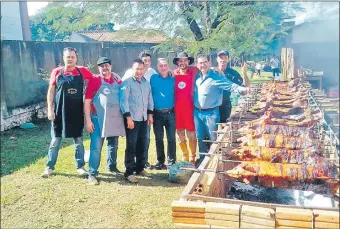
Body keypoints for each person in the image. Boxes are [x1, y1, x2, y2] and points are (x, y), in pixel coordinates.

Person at [41, 47, 93, 178]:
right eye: (67, 57)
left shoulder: (83, 71)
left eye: (72, 57)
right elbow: (51, 91)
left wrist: (113, 77)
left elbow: (96, 81)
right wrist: (49, 109)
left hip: (76, 113)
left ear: (76, 58)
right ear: (63, 58)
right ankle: (49, 167)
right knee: (55, 141)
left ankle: (80, 166)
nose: (70, 59)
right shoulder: (57, 72)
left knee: (79, 141)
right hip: (59, 113)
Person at [194, 54, 248, 164]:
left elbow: (229, 85)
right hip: (197, 113)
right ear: (197, 65)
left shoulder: (215, 76)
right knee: (200, 138)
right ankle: (202, 160)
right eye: (200, 63)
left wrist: (242, 89)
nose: (203, 65)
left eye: (205, 62)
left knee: (213, 139)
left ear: (209, 63)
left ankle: (215, 162)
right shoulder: (197, 77)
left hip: (211, 113)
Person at [84, 57, 125, 185]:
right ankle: (92, 173)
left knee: (113, 144)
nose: (104, 68)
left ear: (111, 66)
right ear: (98, 68)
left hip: (114, 119)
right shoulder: (95, 80)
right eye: (102, 66)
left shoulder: (117, 80)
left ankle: (112, 166)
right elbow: (87, 100)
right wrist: (88, 120)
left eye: (107, 65)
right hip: (98, 119)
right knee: (96, 147)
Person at [120, 59, 154, 183]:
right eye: (137, 69)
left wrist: (150, 115)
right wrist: (128, 117)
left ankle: (140, 168)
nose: (139, 71)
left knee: (142, 144)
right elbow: (123, 101)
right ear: (132, 69)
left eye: (141, 69)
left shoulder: (146, 83)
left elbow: (150, 99)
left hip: (144, 119)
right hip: (132, 119)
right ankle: (129, 172)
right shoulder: (127, 82)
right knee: (131, 145)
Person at [172, 52, 199, 165]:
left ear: (188, 61)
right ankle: (185, 156)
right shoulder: (174, 73)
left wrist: (216, 68)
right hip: (177, 108)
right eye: (180, 60)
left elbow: (205, 68)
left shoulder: (194, 70)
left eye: (185, 60)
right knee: (180, 133)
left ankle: (193, 156)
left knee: (191, 133)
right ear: (177, 62)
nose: (182, 63)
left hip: (190, 107)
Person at [150, 58, 176, 169]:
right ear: (157, 67)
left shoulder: (174, 78)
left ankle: (172, 161)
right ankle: (160, 161)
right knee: (159, 138)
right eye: (161, 66)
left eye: (165, 65)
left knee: (171, 138)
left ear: (168, 66)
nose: (163, 68)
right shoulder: (153, 78)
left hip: (170, 113)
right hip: (157, 113)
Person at [214, 50, 247, 123]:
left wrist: (244, 73)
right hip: (212, 106)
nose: (223, 60)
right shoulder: (211, 71)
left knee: (223, 127)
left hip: (225, 105)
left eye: (225, 58)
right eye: (221, 57)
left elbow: (244, 87)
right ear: (217, 59)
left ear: (228, 59)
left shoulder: (232, 73)